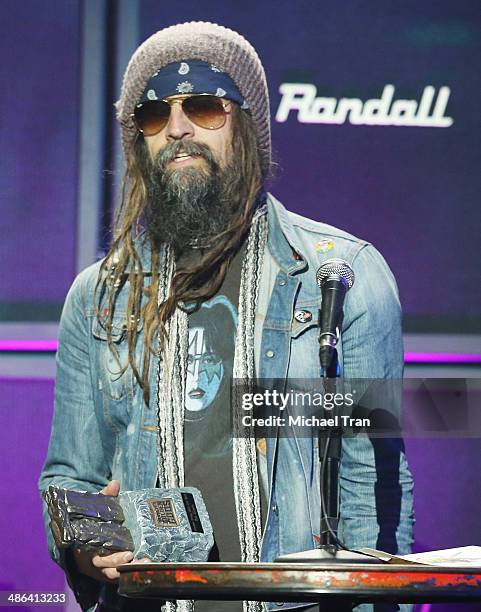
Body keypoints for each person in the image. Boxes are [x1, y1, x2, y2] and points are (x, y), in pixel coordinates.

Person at [39, 21, 414, 612]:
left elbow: (369, 488)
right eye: (156, 115)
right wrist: (90, 548)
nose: (179, 129)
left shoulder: (341, 278)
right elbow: (71, 478)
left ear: (247, 128)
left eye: (205, 106)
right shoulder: (97, 297)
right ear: (139, 140)